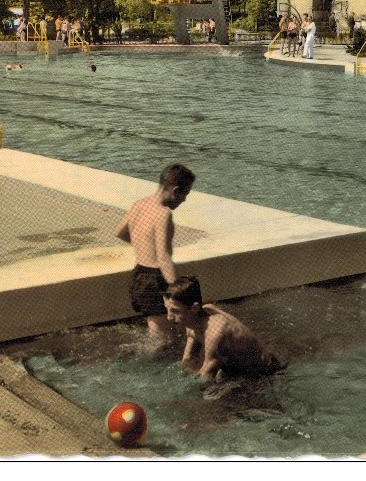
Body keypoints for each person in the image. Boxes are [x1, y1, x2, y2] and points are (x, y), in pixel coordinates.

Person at [116, 163, 196, 338]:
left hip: (138, 276)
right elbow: (163, 257)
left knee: (159, 333)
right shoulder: (164, 214)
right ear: (176, 191)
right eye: (186, 194)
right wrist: (179, 290)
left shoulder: (140, 204)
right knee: (162, 342)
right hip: (154, 280)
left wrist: (144, 246)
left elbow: (120, 232)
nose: (184, 200)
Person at [162, 276, 283, 382]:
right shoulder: (193, 319)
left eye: (175, 311)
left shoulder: (215, 330)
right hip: (235, 370)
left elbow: (205, 376)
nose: (169, 317)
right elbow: (187, 360)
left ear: (194, 308)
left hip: (264, 373)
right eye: (167, 309)